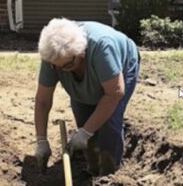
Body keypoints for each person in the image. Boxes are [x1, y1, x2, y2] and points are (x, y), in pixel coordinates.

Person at [34, 18, 140, 176]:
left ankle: (108, 172)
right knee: (84, 117)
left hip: (120, 67)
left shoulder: (102, 46)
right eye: (57, 67)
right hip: (87, 70)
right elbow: (43, 100)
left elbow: (114, 93)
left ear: (81, 52)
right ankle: (92, 168)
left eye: (67, 65)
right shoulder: (54, 56)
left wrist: (85, 132)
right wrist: (41, 140)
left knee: (109, 123)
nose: (62, 70)